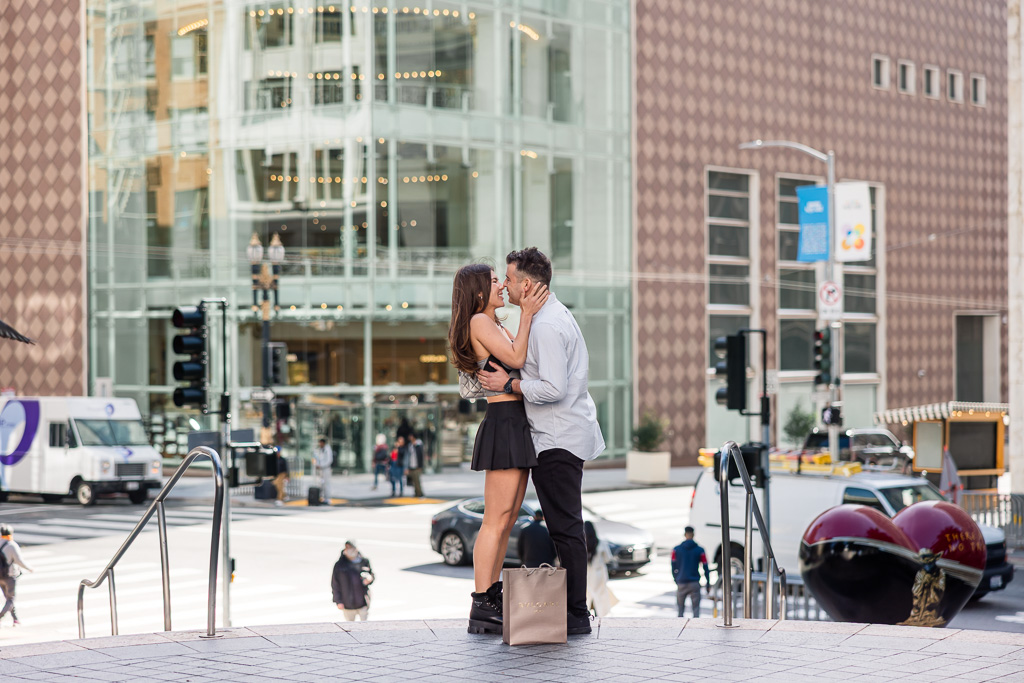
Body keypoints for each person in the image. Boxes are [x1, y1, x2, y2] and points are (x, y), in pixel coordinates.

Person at [479, 247, 605, 636]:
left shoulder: (548, 325)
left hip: (557, 438)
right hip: (561, 433)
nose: (506, 283)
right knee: (565, 527)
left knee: (566, 528)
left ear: (528, 284)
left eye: (510, 278)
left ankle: (576, 614)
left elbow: (552, 388)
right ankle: (575, 611)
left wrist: (509, 384)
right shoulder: (548, 316)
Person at [447, 262, 548, 635]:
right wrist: (527, 313)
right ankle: (481, 603)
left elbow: (515, 363)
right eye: (493, 281)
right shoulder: (479, 322)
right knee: (495, 520)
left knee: (507, 519)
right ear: (477, 291)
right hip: (504, 422)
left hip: (514, 422)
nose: (501, 286)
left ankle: (491, 596)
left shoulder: (493, 323)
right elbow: (517, 359)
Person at [671, 526, 711, 618]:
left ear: (685, 534)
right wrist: (708, 584)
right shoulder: (700, 550)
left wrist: (676, 579)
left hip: (681, 582)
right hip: (694, 583)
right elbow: (705, 567)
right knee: (696, 611)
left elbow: (673, 567)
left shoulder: (676, 550)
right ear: (693, 535)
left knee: (680, 611)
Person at [331, 541, 374, 621]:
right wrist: (338, 601)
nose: (350, 551)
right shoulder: (340, 565)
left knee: (364, 625)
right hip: (347, 602)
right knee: (350, 626)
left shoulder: (364, 561)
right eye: (348, 548)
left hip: (362, 601)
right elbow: (335, 584)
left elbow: (371, 575)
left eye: (352, 548)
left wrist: (369, 579)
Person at [0, 524, 32, 625]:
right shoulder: (11, 545)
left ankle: (15, 619)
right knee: (10, 599)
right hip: (10, 575)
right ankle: (1, 616)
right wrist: (29, 568)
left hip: (0, 576)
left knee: (8, 598)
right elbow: (19, 560)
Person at [584, 521, 618, 617]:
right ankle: (599, 614)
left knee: (588, 595)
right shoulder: (600, 543)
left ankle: (587, 613)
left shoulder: (583, 544)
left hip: (587, 573)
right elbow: (608, 558)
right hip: (599, 573)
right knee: (600, 595)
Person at [313, 437, 334, 505]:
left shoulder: (327, 449)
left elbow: (329, 460)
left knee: (326, 484)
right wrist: (317, 465)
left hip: (326, 469)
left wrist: (321, 465)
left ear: (323, 443)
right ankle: (323, 498)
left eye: (321, 443)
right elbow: (318, 459)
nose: (320, 444)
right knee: (321, 484)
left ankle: (328, 499)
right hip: (321, 469)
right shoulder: (320, 449)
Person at [407, 433, 426, 498]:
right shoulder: (410, 445)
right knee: (413, 481)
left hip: (417, 466)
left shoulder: (418, 445)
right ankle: (416, 493)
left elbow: (421, 456)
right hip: (411, 466)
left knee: (417, 480)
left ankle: (420, 493)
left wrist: (420, 466)